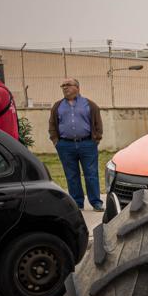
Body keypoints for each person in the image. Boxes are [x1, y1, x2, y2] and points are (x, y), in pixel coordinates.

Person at [49, 78, 104, 211]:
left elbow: (97, 124)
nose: (65, 88)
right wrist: (56, 141)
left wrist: (95, 139)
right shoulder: (57, 106)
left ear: (77, 87)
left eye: (68, 85)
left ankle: (96, 202)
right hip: (65, 146)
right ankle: (77, 203)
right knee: (71, 175)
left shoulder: (89, 104)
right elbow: (52, 125)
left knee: (91, 174)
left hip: (87, 144)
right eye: (63, 85)